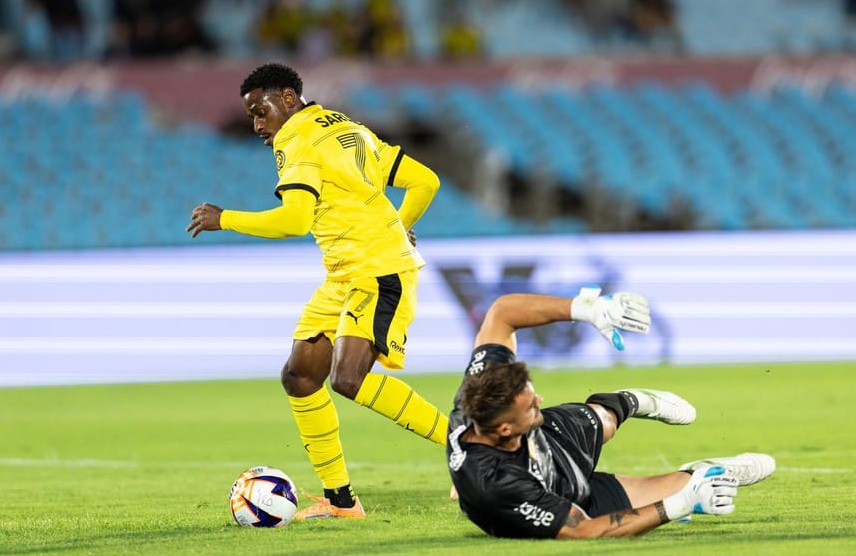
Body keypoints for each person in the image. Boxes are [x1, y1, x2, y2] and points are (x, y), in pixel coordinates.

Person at [187, 62, 444, 520]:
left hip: (378, 271)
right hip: (345, 274)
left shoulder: (296, 139)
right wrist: (398, 226)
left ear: (288, 98)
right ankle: (342, 502)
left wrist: (224, 218)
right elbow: (426, 181)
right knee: (301, 375)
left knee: (348, 379)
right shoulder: (348, 127)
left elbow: (295, 220)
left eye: (260, 111)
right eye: (251, 117)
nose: (257, 126)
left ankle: (472, 446)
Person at [447, 286, 776, 539]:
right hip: (560, 495)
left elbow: (502, 312)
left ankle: (633, 401)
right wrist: (682, 504)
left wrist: (585, 308)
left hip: (548, 440)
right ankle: (700, 475)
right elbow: (584, 531)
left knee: (604, 419)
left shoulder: (483, 390)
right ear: (504, 429)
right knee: (683, 489)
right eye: (531, 405)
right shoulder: (498, 486)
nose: (540, 401)